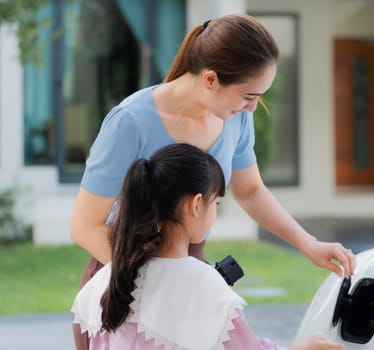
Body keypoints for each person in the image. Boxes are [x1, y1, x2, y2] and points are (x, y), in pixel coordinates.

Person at [70, 13, 355, 348]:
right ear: (210, 79)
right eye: (248, 95)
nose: (252, 108)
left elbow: (250, 191)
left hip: (186, 277)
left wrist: (308, 243)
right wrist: (156, 283)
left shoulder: (234, 120)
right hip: (121, 291)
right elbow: (84, 226)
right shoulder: (130, 122)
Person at [71, 143, 343, 350]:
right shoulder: (203, 287)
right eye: (217, 203)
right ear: (196, 204)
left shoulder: (106, 281)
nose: (215, 211)